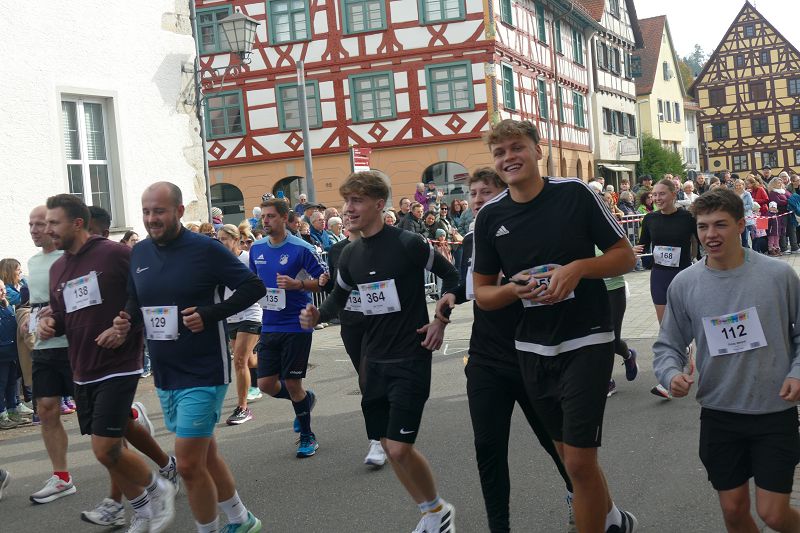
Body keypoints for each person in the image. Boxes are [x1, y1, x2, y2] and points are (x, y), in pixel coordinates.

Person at [472, 119, 637, 533]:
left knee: (579, 461)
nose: (509, 157)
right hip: (532, 348)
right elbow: (483, 293)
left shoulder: (574, 194)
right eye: (499, 152)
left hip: (587, 338)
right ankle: (614, 521)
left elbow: (625, 256)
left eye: (517, 147)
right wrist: (514, 290)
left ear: (537, 150)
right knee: (570, 458)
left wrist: (578, 268)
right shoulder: (490, 216)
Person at [301, 170, 460, 533]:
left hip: (410, 355)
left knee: (400, 447)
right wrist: (317, 315)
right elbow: (337, 298)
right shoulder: (350, 253)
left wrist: (441, 319)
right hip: (373, 361)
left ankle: (438, 510)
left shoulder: (408, 243)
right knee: (388, 446)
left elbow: (452, 277)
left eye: (356, 200)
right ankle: (433, 512)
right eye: (346, 201)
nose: (348, 208)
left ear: (378, 203)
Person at [114, 182, 265, 533]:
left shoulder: (206, 249)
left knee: (187, 464)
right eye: (146, 211)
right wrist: (126, 320)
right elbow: (135, 299)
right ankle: (241, 519)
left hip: (204, 368)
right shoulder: (140, 252)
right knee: (205, 454)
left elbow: (253, 287)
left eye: (159, 211)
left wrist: (211, 314)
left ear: (180, 211)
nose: (152, 218)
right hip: (166, 369)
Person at [434, 168, 576, 533]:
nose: (477, 199)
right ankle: (499, 527)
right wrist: (450, 298)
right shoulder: (471, 238)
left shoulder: (529, 231)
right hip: (486, 357)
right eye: (473, 193)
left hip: (532, 353)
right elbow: (470, 285)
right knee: (488, 447)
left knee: (555, 441)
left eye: (485, 192)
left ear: (503, 194)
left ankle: (579, 494)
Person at [653, 188, 800, 533]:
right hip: (720, 412)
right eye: (703, 226)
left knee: (774, 514)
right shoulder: (685, 284)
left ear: (740, 225)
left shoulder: (778, 276)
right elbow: (668, 344)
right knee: (733, 511)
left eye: (720, 224)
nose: (710, 235)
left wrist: (797, 372)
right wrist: (671, 373)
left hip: (773, 410)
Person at [37, 194, 176, 533]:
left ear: (77, 223)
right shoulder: (58, 267)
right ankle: (142, 509)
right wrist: (50, 322)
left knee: (104, 448)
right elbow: (64, 314)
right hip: (82, 366)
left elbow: (148, 292)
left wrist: (126, 325)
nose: (47, 229)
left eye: (54, 223)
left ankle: (159, 488)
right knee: (109, 448)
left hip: (120, 362)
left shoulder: (113, 254)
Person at [250, 198, 327, 458]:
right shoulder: (256, 248)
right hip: (269, 324)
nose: (265, 220)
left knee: (293, 382)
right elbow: (253, 282)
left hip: (297, 323)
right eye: (263, 216)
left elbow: (323, 281)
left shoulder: (301, 248)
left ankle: (307, 436)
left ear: (284, 218)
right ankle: (305, 399)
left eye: (271, 216)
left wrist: (298, 285)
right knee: (265, 384)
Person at [322, 219, 387, 467]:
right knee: (369, 381)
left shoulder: (380, 246)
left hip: (377, 322)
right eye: (345, 214)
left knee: (366, 379)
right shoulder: (336, 250)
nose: (349, 217)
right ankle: (385, 417)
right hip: (350, 323)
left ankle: (377, 440)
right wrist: (324, 282)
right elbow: (336, 288)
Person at [24, 205, 78, 504]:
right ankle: (62, 477)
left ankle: (130, 414)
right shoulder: (33, 262)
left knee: (98, 413)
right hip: (43, 347)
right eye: (30, 224)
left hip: (72, 346)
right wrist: (27, 318)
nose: (34, 230)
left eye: (40, 224)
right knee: (46, 408)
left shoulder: (68, 258)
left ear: (53, 226)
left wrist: (56, 315)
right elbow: (35, 302)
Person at [633, 179, 698, 399]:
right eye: (654, 194)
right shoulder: (650, 218)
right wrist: (630, 252)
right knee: (666, 328)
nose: (657, 198)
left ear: (673, 194)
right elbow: (643, 244)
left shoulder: (687, 218)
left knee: (684, 324)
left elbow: (701, 242)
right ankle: (675, 370)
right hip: (659, 276)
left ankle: (677, 367)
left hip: (683, 275)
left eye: (661, 194)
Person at [217, 225, 263, 426]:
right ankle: (272, 362)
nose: (221, 242)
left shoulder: (247, 259)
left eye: (224, 238)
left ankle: (243, 408)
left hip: (251, 313)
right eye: (218, 238)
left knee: (239, 361)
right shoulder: (218, 263)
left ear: (236, 240)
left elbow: (260, 284)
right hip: (230, 317)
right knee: (249, 361)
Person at [767, 177, 798, 254]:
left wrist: (789, 201)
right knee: (783, 231)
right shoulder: (773, 193)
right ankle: (784, 248)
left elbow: (792, 198)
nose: (780, 184)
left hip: (789, 213)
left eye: (781, 182)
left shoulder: (785, 191)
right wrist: (788, 201)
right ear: (773, 184)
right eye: (778, 182)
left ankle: (794, 247)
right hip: (780, 214)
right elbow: (778, 202)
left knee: (792, 230)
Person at [733, 179, 754, 247]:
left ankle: (746, 251)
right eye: (736, 185)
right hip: (735, 218)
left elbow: (751, 205)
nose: (738, 187)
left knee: (745, 238)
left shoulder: (747, 194)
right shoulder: (732, 194)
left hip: (745, 218)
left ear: (743, 185)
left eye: (740, 185)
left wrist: (741, 208)